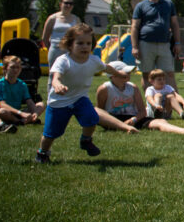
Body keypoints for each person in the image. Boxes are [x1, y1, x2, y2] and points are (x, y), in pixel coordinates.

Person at [37, 23, 127, 163]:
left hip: (80, 98)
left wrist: (118, 73)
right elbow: (56, 78)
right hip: (59, 102)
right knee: (51, 133)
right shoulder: (63, 61)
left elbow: (106, 68)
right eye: (80, 43)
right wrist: (58, 85)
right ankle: (43, 153)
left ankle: (86, 140)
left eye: (88, 43)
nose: (85, 46)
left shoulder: (93, 60)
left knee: (92, 119)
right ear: (70, 45)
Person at [96, 61, 184, 134]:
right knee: (95, 111)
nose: (129, 73)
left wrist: (134, 119)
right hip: (114, 119)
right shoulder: (105, 88)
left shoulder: (133, 88)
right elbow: (101, 112)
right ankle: (125, 128)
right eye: (125, 71)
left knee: (160, 121)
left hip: (134, 119)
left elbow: (142, 111)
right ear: (112, 74)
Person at [131, 0, 181, 90]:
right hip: (145, 43)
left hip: (165, 43)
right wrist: (134, 47)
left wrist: (177, 42)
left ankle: (174, 102)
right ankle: (151, 102)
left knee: (169, 73)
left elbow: (175, 25)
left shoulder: (169, 4)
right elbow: (134, 27)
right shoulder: (141, 6)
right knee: (147, 74)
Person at [0, 55, 45, 125]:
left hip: (18, 112)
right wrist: (20, 113)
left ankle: (30, 118)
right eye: (12, 67)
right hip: (7, 112)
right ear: (5, 68)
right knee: (1, 111)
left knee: (41, 104)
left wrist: (35, 112)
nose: (16, 70)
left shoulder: (22, 84)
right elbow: (2, 104)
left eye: (18, 67)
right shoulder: (0, 84)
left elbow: (29, 101)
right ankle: (20, 121)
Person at [40, 0, 80, 73]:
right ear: (60, 4)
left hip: (70, 50)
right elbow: (45, 37)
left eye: (71, 4)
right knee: (53, 74)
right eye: (66, 3)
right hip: (55, 49)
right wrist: (51, 47)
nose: (68, 5)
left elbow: (79, 36)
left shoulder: (76, 19)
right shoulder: (52, 18)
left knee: (69, 74)